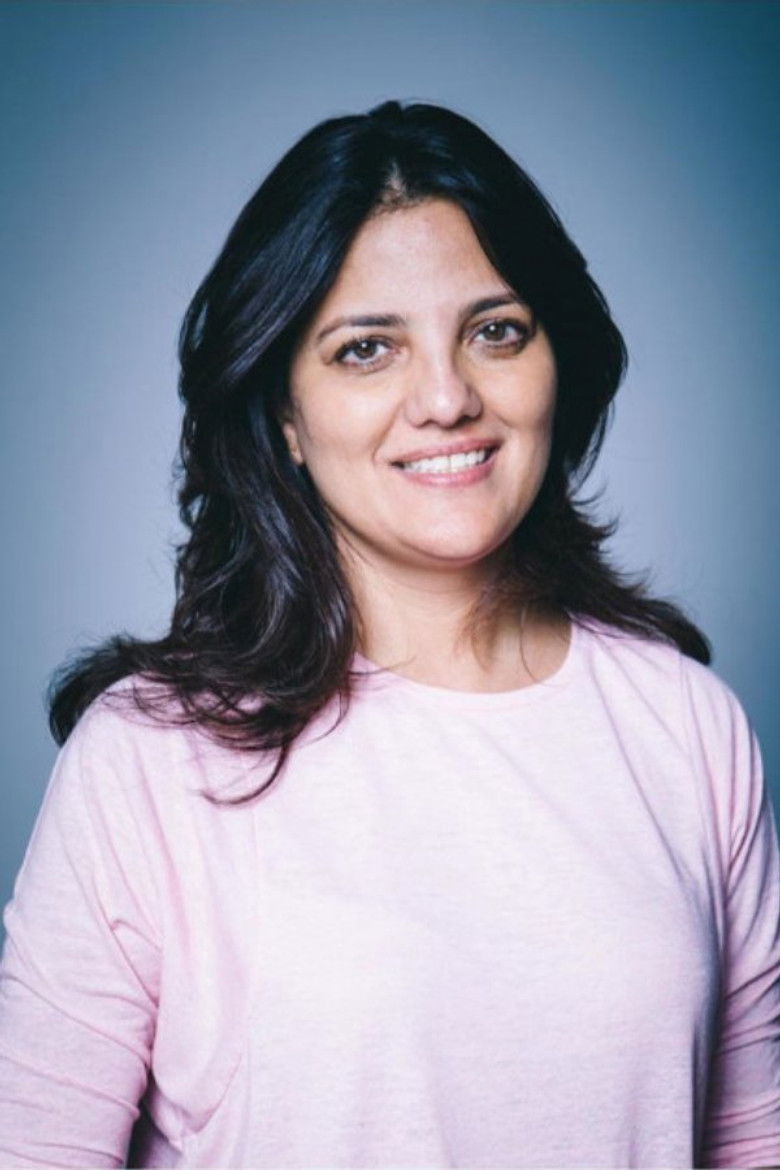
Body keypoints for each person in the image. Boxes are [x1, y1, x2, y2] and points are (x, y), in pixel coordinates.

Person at [1, 99, 778, 1169]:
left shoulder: (688, 728)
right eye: (367, 350)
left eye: (496, 331)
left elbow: (751, 1141)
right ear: (285, 414)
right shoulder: (150, 759)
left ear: (559, 359)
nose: (447, 398)